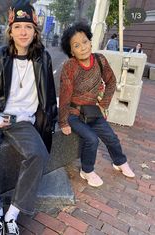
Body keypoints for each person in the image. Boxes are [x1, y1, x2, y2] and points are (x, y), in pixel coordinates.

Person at [0, 2, 57, 235]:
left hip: (23, 120)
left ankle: (13, 213)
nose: (23, 32)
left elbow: (49, 97)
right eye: (18, 27)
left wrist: (46, 122)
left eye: (28, 27)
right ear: (11, 30)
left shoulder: (43, 59)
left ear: (35, 30)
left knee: (38, 154)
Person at [59, 22, 135, 188]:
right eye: (77, 45)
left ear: (90, 41)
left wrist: (103, 103)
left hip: (93, 112)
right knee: (92, 139)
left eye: (85, 42)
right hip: (74, 114)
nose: (83, 47)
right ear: (71, 51)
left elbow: (111, 81)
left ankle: (119, 162)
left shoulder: (100, 60)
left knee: (112, 138)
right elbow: (64, 96)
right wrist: (63, 121)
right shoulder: (70, 66)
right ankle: (87, 170)